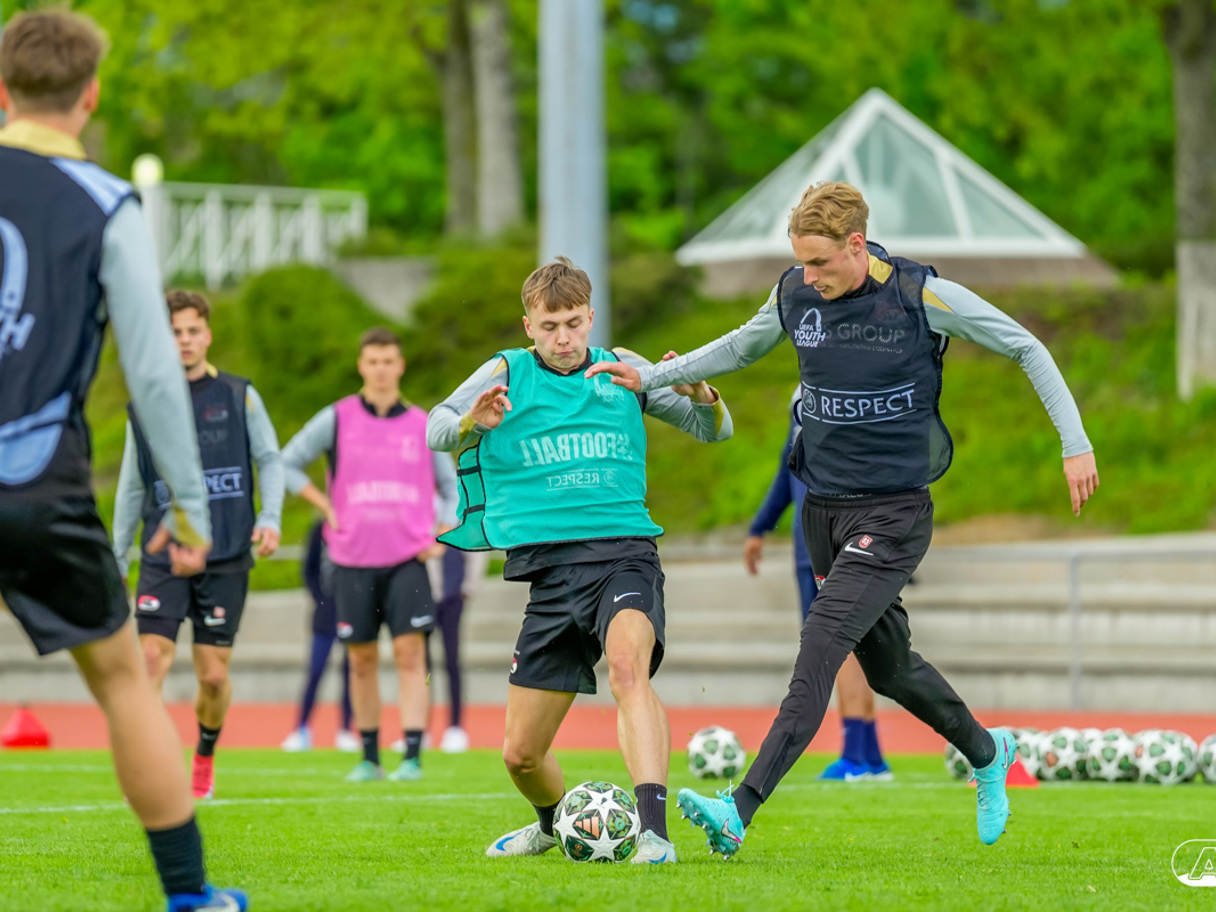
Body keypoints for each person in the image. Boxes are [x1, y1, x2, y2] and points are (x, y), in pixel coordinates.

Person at [587, 181, 1099, 856]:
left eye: (820, 262)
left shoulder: (921, 296)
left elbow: (1026, 346)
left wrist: (1074, 443)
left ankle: (738, 808)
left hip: (895, 512)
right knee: (890, 668)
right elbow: (740, 347)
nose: (809, 276)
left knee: (820, 645)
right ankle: (988, 751)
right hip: (823, 512)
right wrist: (651, 377)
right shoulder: (796, 293)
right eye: (801, 261)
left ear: (857, 245)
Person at [0, 10, 246, 910]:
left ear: (2, 91)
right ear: (91, 95)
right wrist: (189, 512)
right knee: (122, 687)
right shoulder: (107, 203)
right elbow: (152, 374)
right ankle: (189, 896)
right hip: (36, 480)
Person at [428, 256, 734, 865]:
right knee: (521, 756)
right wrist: (471, 423)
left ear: (591, 317)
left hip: (625, 555)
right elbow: (435, 429)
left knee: (628, 671)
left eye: (573, 323)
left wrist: (703, 396)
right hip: (550, 574)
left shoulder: (622, 368)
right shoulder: (507, 372)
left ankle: (653, 836)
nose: (563, 338)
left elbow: (714, 431)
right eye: (549, 327)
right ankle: (553, 824)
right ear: (529, 326)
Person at [113, 290, 284, 800]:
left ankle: (204, 757)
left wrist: (270, 517)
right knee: (151, 660)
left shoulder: (238, 395)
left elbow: (269, 459)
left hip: (226, 553)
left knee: (212, 677)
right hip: (163, 555)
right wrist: (117, 557)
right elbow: (131, 486)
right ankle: (155, 766)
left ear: (206, 335)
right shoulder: (146, 403)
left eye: (191, 331)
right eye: (174, 332)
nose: (184, 340)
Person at [281, 327, 457, 782]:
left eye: (388, 361)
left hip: (408, 560)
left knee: (411, 655)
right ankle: (369, 758)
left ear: (400, 365)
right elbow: (286, 462)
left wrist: (440, 535)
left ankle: (412, 756)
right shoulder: (336, 418)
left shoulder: (421, 423)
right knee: (359, 660)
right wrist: (324, 506)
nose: (381, 369)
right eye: (373, 361)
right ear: (361, 365)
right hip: (351, 560)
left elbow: (452, 488)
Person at [745, 388, 890, 781]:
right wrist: (760, 526)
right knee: (851, 647)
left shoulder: (847, 386)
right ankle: (870, 754)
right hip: (815, 544)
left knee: (839, 646)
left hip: (834, 542)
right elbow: (787, 469)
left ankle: (855, 756)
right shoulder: (803, 393)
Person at [280, 520, 359, 753]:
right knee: (315, 670)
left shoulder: (357, 525)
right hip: (325, 612)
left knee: (350, 672)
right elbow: (309, 569)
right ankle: (301, 729)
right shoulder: (319, 529)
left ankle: (346, 730)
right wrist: (320, 599)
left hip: (352, 611)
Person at [425, 545, 489, 753]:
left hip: (453, 595)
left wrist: (468, 587)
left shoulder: (457, 523)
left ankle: (455, 727)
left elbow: (476, 550)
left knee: (452, 660)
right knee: (421, 666)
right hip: (424, 596)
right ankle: (420, 730)